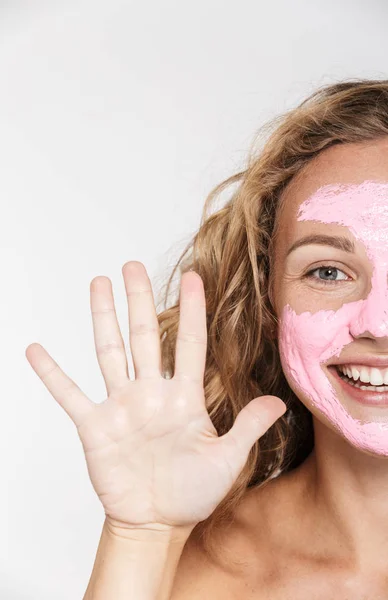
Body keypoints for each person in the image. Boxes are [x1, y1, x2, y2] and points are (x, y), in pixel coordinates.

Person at [25, 78, 388, 599]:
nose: (378, 323)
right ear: (269, 303)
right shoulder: (203, 574)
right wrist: (141, 537)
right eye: (328, 272)